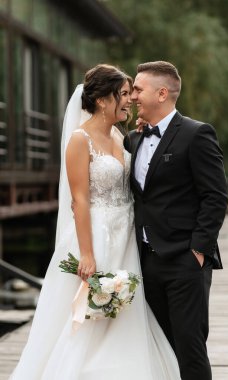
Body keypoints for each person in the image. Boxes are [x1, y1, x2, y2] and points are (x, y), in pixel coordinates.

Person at [10, 64, 181, 380]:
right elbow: (80, 201)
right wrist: (87, 254)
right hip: (97, 235)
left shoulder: (121, 136)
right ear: (103, 99)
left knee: (124, 313)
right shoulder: (79, 140)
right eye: (125, 93)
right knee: (91, 315)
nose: (130, 100)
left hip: (126, 234)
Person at [124, 61, 228, 380]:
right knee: (158, 347)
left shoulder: (197, 134)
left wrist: (198, 250)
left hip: (186, 259)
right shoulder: (133, 140)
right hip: (145, 262)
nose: (132, 97)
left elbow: (216, 196)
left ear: (162, 92)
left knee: (189, 346)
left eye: (138, 89)